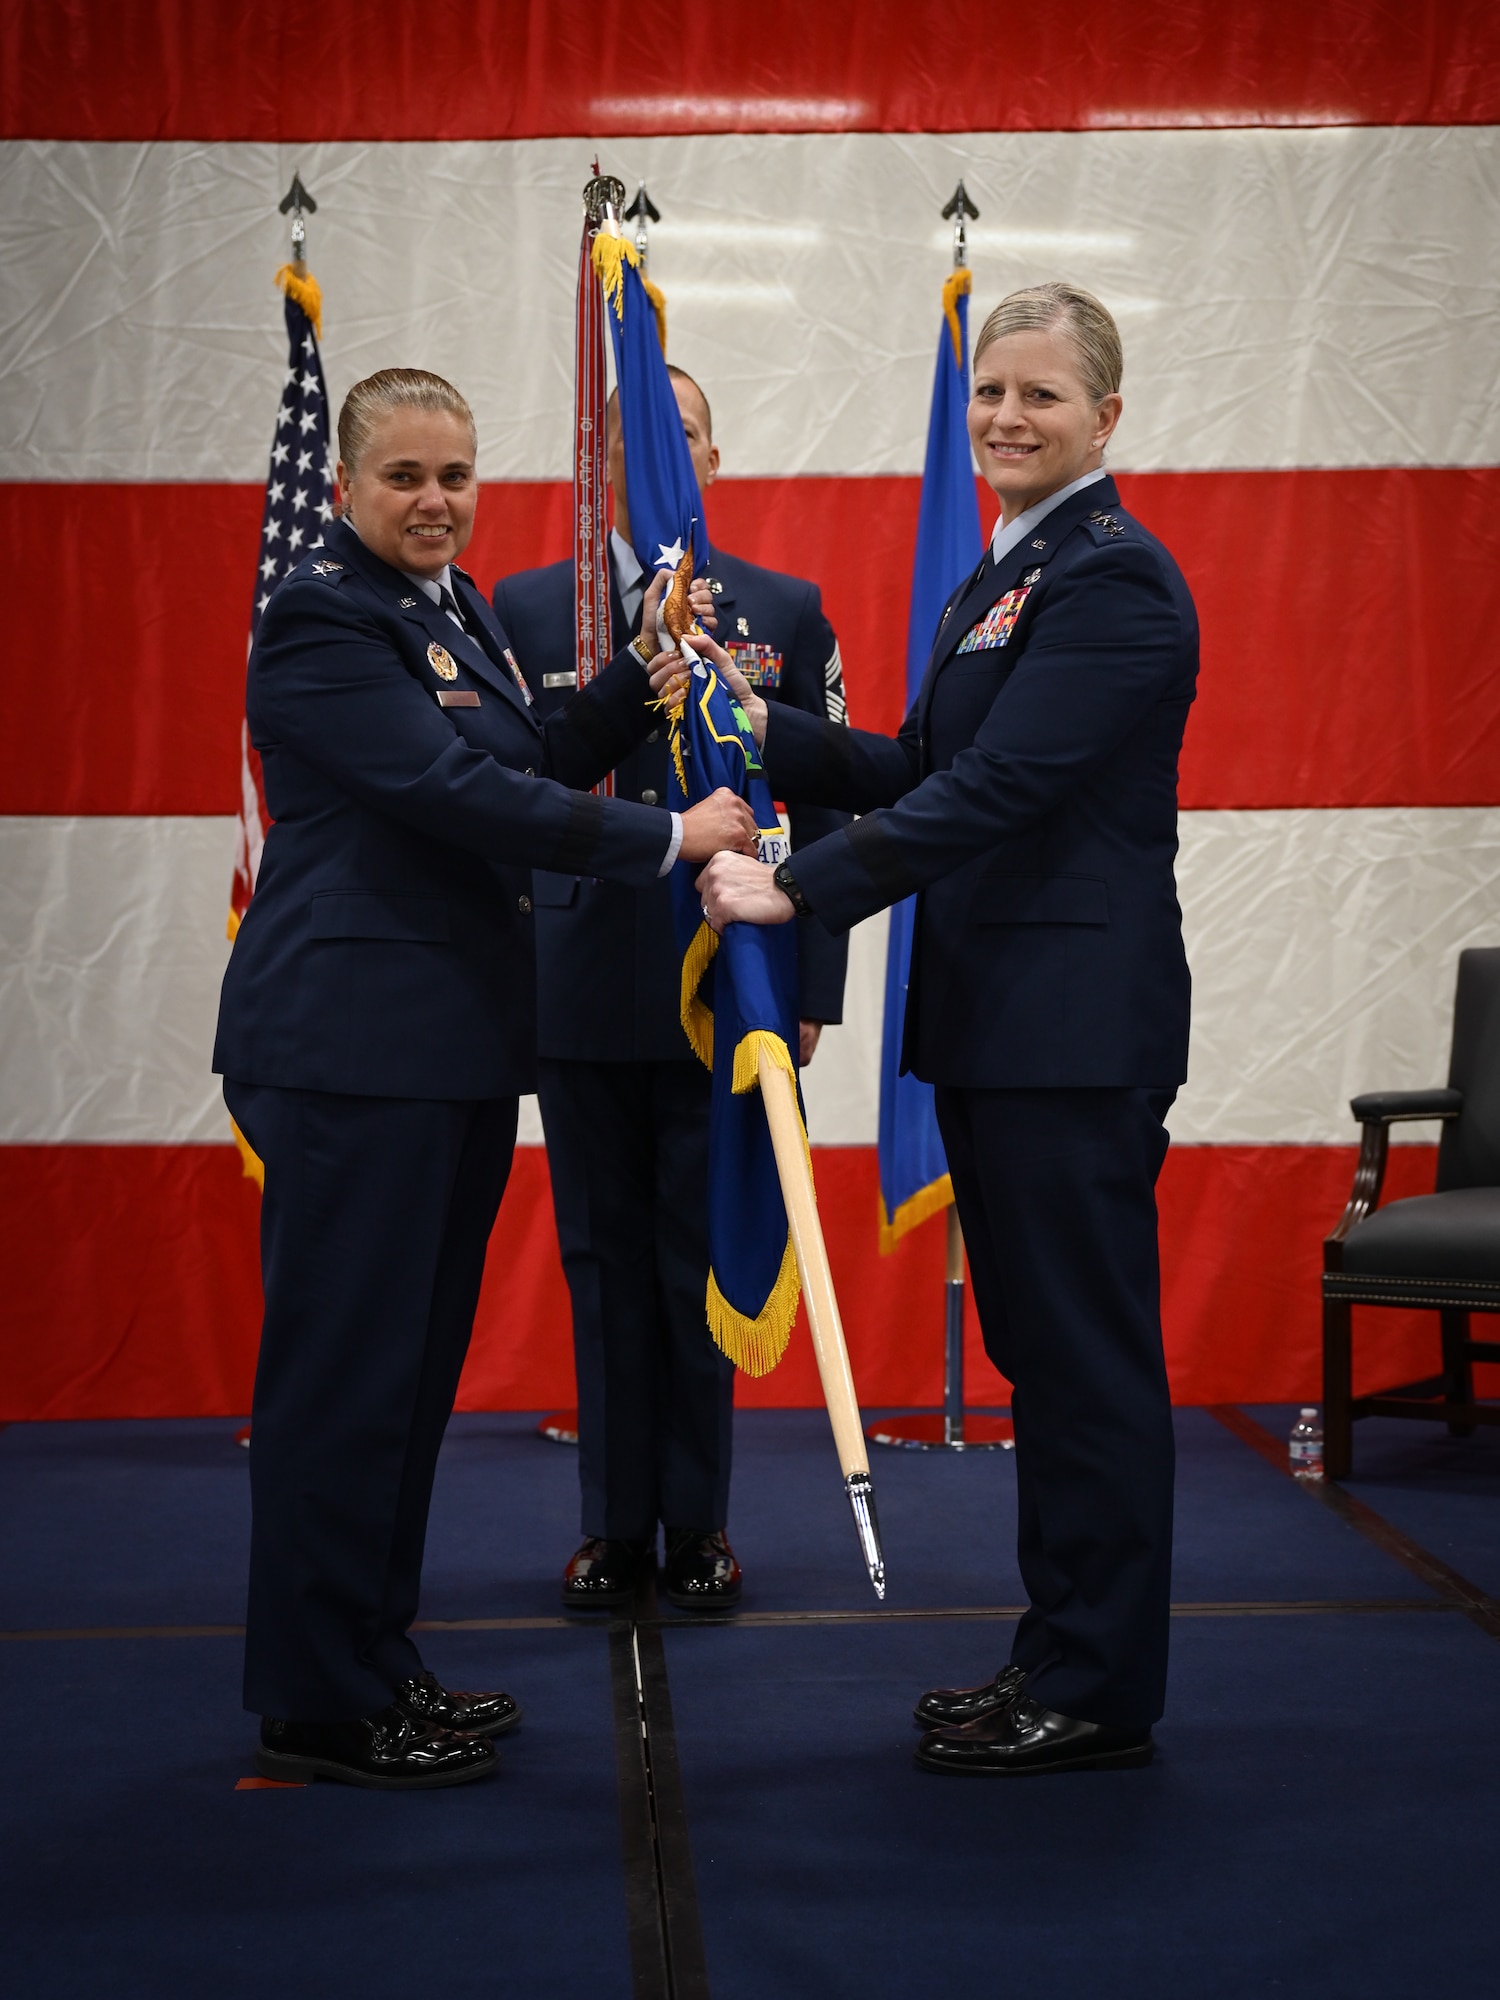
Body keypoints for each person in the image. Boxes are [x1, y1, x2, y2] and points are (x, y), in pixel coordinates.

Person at [213, 368, 755, 1790]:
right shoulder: (324, 614)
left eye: (456, 476)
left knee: (403, 1385)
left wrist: (644, 677)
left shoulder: (440, 611)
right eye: (404, 478)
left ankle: (375, 1663)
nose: (437, 502)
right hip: (348, 1054)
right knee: (345, 1387)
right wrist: (665, 842)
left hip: (438, 1053)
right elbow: (452, 793)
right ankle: (320, 1701)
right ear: (344, 489)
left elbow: (529, 752)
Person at [699, 284, 1198, 1776]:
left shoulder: (1113, 579)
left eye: (1041, 396)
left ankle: (1102, 1687)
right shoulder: (1000, 577)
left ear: (1108, 417)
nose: (1005, 419)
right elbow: (916, 757)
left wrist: (801, 883)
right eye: (991, 393)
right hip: (996, 1026)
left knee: (1087, 1365)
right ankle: (1057, 1649)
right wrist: (748, 715)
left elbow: (994, 795)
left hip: (1068, 1030)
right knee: (1049, 1360)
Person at [493, 365, 851, 1610]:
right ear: (601, 458)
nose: (667, 455)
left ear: (711, 452)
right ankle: (612, 1523)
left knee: (703, 1255)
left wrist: (815, 978)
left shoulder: (785, 609)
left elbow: (832, 805)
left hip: (731, 983)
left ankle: (697, 1524)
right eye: (646, 437)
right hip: (581, 979)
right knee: (601, 1260)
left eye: (686, 434)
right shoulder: (527, 610)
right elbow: (513, 795)